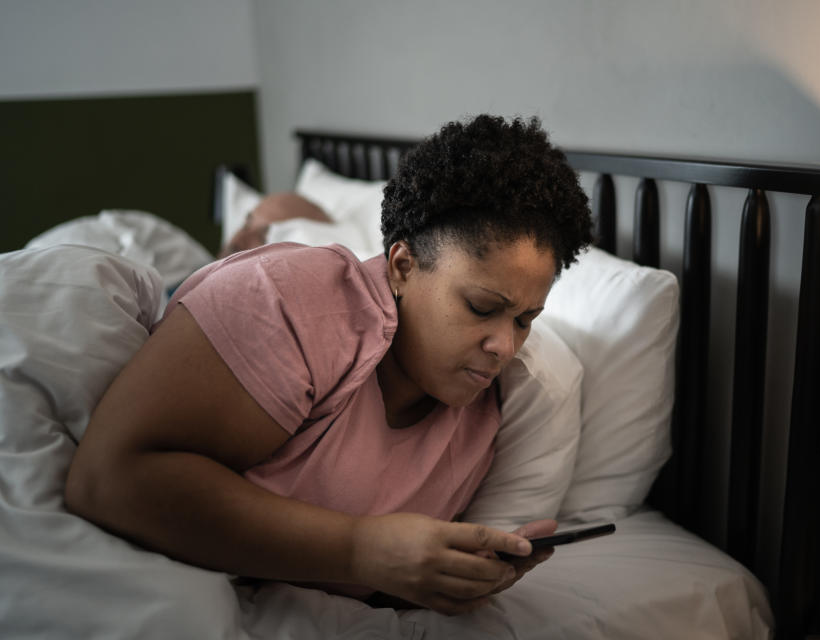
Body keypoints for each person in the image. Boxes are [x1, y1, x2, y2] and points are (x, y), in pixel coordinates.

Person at [64, 114, 594, 615]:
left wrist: (446, 578)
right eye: (482, 307)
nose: (505, 346)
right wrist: (359, 550)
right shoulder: (294, 306)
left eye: (526, 320)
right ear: (403, 266)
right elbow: (106, 479)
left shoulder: (484, 420)